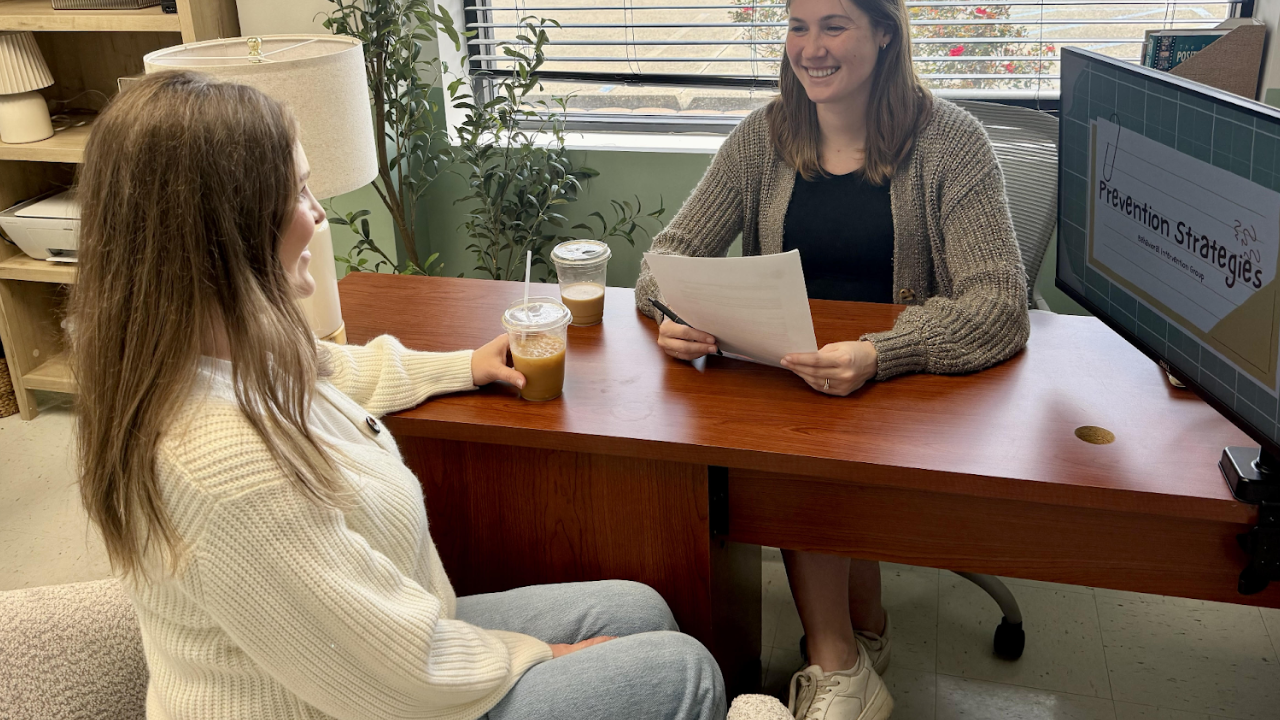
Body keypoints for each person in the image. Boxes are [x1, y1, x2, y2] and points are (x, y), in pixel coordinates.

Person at [71, 71, 726, 720]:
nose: (319, 212)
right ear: (226, 233)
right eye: (298, 193)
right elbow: (403, 676)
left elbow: (332, 371)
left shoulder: (198, 354)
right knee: (684, 672)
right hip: (348, 701)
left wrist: (464, 365)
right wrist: (543, 654)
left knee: (639, 608)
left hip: (369, 651)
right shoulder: (222, 461)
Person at [634, 0, 1031, 718]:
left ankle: (838, 664)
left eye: (833, 25)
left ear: (884, 32)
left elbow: (1001, 303)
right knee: (793, 430)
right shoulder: (762, 138)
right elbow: (662, 262)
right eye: (797, 25)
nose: (809, 47)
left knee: (801, 460)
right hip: (793, 379)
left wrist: (882, 353)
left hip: (905, 387)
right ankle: (861, 637)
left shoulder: (952, 142)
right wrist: (676, 314)